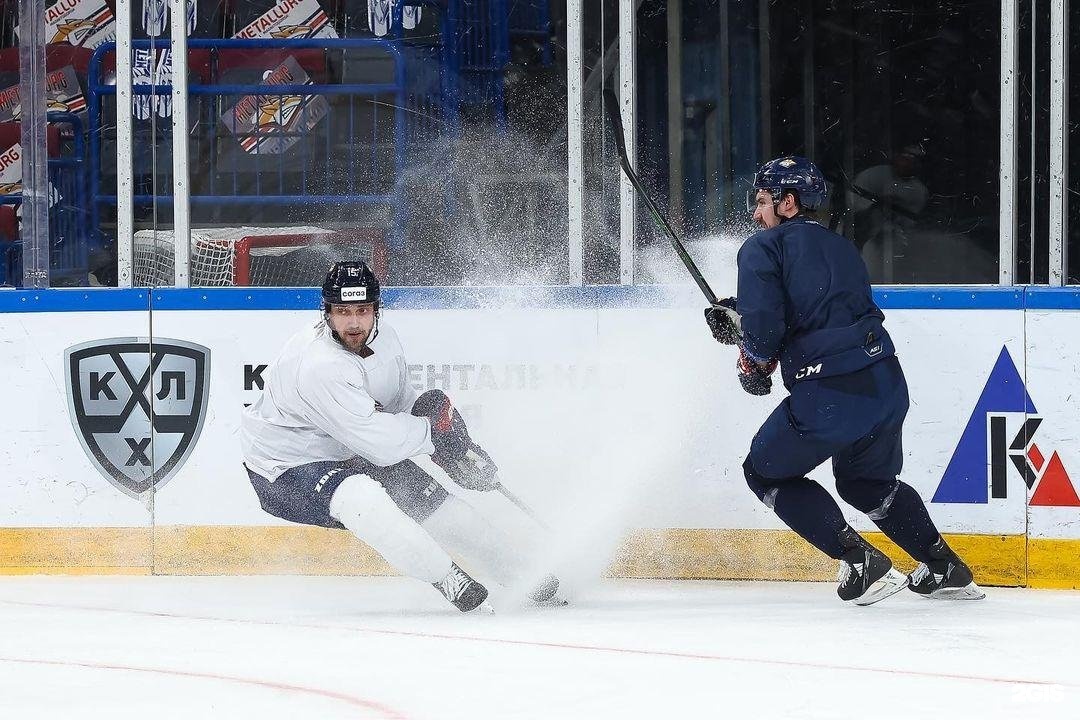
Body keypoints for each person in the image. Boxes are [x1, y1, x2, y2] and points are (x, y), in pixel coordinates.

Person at [704, 156, 984, 605]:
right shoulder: (842, 247)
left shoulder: (762, 247)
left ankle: (860, 560)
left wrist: (750, 355)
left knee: (763, 472)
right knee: (866, 483)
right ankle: (943, 566)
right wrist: (744, 318)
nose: (756, 214)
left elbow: (765, 334)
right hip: (886, 384)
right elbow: (815, 310)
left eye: (761, 202)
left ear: (788, 202)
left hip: (830, 392)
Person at [240, 260, 560, 612]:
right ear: (326, 312)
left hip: (347, 447)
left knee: (441, 508)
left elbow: (397, 402)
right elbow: (378, 443)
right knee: (362, 498)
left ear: (376, 309)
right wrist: (435, 436)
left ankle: (521, 571)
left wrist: (447, 432)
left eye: (362, 310)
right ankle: (445, 576)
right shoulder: (319, 366)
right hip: (283, 467)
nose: (353, 322)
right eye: (343, 311)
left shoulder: (386, 339)